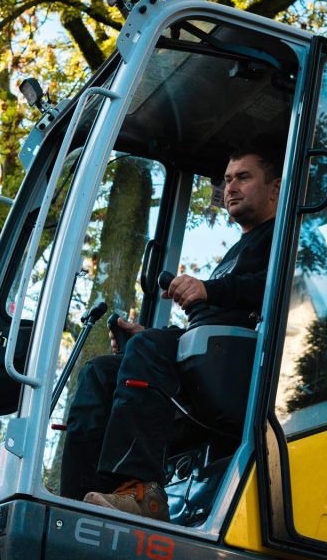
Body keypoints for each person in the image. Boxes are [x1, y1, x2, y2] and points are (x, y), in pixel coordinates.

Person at [58, 148, 283, 521]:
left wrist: (209, 290)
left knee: (148, 347)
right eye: (227, 180)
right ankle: (77, 499)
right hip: (208, 363)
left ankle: (144, 491)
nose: (231, 187)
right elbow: (207, 322)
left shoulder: (287, 238)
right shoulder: (238, 249)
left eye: (243, 177)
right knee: (99, 371)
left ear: (275, 188)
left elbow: (278, 291)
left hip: (243, 376)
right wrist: (146, 340)